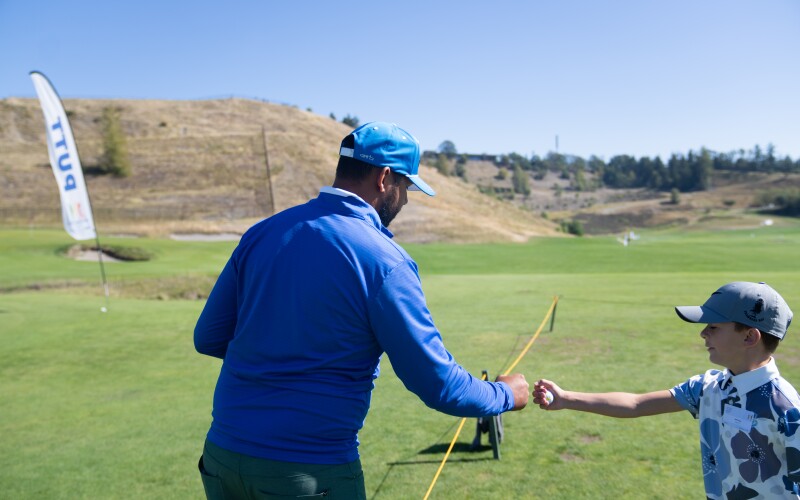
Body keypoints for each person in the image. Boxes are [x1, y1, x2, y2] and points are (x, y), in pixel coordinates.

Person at [194, 121, 530, 499]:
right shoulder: (385, 261)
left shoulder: (262, 232)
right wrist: (504, 394)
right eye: (405, 187)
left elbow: (208, 337)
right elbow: (438, 384)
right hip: (308, 473)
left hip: (221, 457)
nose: (403, 200)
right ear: (385, 178)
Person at [534, 281, 799, 498]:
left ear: (750, 337)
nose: (703, 333)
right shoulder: (707, 387)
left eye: (714, 327)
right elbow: (636, 404)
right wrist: (567, 398)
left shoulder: (786, 408)